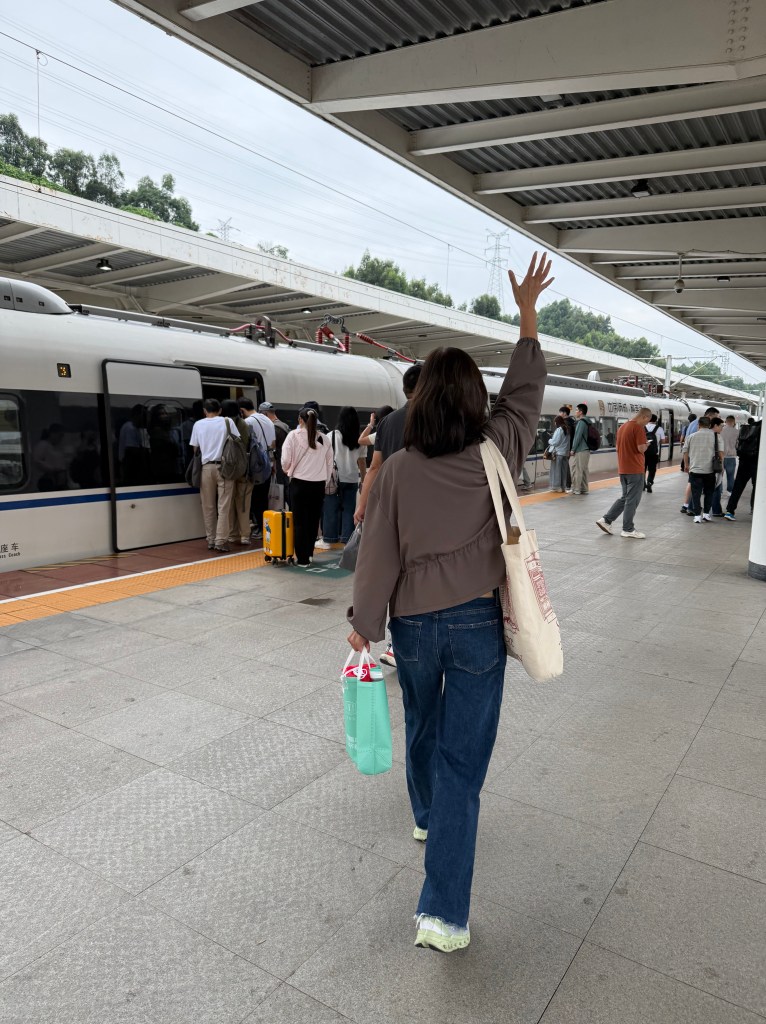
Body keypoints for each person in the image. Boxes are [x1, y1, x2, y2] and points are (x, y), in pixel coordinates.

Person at [347, 252, 553, 953]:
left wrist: (362, 626)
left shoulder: (398, 470)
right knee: (465, 763)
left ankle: (425, 815)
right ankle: (442, 915)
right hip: (475, 628)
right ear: (474, 402)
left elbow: (377, 553)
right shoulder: (498, 447)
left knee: (422, 724)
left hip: (409, 624)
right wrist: (526, 314)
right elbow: (525, 391)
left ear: (422, 399)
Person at [354, 365, 423, 668]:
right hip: (424, 512)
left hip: (390, 510)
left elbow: (375, 466)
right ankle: (405, 642)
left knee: (395, 577)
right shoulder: (437, 420)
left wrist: (363, 504)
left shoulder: (390, 422)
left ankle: (398, 642)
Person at [281, 407, 333, 567]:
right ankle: (309, 555)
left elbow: (285, 461)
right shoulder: (324, 439)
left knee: (300, 522)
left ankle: (302, 559)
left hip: (299, 484)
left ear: (300, 420)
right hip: (318, 486)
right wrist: (324, 482)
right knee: (313, 521)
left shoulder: (293, 436)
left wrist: (287, 469)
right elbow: (329, 464)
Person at [189, 398, 238, 552]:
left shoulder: (198, 424)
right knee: (223, 506)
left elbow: (195, 449)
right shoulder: (227, 421)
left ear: (205, 410)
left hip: (205, 468)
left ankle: (210, 539)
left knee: (208, 506)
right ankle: (221, 541)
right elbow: (237, 441)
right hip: (224, 468)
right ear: (220, 410)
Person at [596, 407, 652, 539]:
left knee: (625, 498)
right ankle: (628, 529)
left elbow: (617, 448)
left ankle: (606, 520)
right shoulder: (638, 428)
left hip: (623, 468)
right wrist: (647, 445)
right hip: (635, 469)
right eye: (647, 421)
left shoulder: (623, 427)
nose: (646, 424)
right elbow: (640, 448)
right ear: (644, 417)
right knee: (632, 500)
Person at [318, 406, 367, 548]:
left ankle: (329, 539)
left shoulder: (331, 435)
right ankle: (347, 540)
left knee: (330, 508)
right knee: (349, 510)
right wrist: (363, 480)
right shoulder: (359, 439)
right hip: (351, 478)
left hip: (334, 479)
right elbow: (362, 461)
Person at [239, 398, 276, 537]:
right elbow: (273, 444)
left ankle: (260, 528)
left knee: (255, 499)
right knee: (263, 499)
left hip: (255, 466)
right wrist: (272, 464)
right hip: (267, 464)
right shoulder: (268, 420)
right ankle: (265, 529)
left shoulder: (247, 422)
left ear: (242, 410)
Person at [220, 399, 254, 547]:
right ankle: (245, 535)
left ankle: (233, 534)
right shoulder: (244, 424)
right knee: (243, 503)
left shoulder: (221, 424)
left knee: (228, 502)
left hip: (227, 468)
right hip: (243, 468)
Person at [680, 408, 718, 515]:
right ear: (710, 417)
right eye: (716, 417)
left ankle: (687, 506)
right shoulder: (709, 432)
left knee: (693, 485)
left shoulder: (692, 424)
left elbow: (686, 448)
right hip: (703, 464)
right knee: (703, 490)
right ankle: (693, 509)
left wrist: (686, 464)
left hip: (694, 462)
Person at [725, 419, 761, 521]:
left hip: (744, 460)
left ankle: (730, 511)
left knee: (738, 486)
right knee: (756, 486)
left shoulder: (752, 426)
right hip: (756, 461)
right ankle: (754, 509)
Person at [258, 402, 289, 488]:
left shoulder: (273, 427)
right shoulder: (284, 425)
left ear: (265, 414)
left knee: (279, 492)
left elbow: (272, 447)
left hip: (278, 465)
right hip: (286, 462)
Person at [570, 403, 591, 494]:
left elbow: (577, 437)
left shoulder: (581, 422)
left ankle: (576, 489)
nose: (575, 412)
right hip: (586, 450)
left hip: (580, 450)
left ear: (581, 412)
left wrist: (573, 449)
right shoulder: (588, 421)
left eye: (576, 410)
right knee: (584, 470)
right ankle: (584, 488)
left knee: (577, 470)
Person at [546, 414, 570, 492]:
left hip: (558, 453)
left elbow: (555, 442)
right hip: (565, 453)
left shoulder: (559, 430)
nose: (555, 424)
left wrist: (549, 440)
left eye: (555, 422)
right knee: (563, 471)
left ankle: (556, 487)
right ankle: (563, 487)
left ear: (557, 422)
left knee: (556, 470)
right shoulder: (567, 429)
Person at [643, 414, 665, 492]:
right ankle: (649, 482)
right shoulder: (659, 429)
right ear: (655, 420)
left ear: (648, 419)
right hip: (654, 453)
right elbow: (663, 441)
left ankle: (643, 484)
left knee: (643, 468)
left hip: (643, 452)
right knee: (652, 469)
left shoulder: (643, 427)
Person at [709, 417, 726, 517]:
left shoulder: (701, 434)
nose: (722, 428)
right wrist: (722, 466)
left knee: (698, 488)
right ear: (715, 425)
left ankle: (692, 508)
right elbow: (720, 453)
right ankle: (716, 510)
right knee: (717, 488)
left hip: (700, 465)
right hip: (714, 466)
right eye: (721, 426)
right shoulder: (717, 436)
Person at [558, 405, 575, 491]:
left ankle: (567, 484)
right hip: (568, 447)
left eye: (560, 412)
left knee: (564, 466)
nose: (559, 414)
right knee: (565, 466)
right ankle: (566, 484)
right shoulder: (572, 422)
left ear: (564, 413)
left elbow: (566, 437)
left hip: (565, 448)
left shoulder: (566, 423)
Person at [721, 415, 739, 492]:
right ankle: (729, 491)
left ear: (726, 421)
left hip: (720, 457)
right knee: (730, 476)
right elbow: (738, 445)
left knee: (719, 476)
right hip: (731, 458)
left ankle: (720, 491)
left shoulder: (720, 430)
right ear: (734, 422)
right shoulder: (737, 432)